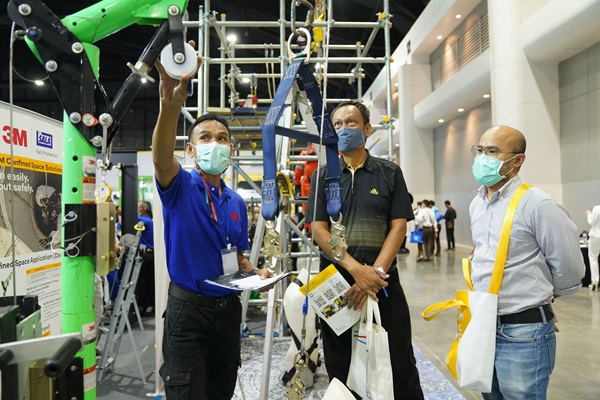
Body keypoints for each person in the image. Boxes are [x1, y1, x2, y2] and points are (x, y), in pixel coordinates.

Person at [152, 51, 272, 399]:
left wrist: (256, 273)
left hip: (228, 312)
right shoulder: (180, 186)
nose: (215, 143)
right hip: (189, 313)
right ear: (191, 150)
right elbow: (161, 158)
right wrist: (170, 106)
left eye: (222, 138)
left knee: (222, 391)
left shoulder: (235, 202)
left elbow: (237, 256)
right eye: (205, 138)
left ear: (230, 149)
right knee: (187, 392)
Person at [307, 100, 424, 399]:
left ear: (367, 129)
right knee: (341, 366)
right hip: (336, 286)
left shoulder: (389, 172)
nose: (343, 129)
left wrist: (374, 273)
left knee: (399, 362)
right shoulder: (323, 176)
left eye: (351, 122)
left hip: (382, 283)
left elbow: (398, 226)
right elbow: (319, 230)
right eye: (337, 124)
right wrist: (356, 270)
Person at [469, 125, 585, 399]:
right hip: (483, 323)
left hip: (523, 332)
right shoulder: (477, 203)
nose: (483, 158)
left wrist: (538, 303)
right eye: (480, 150)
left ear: (517, 160)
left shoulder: (538, 204)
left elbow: (570, 271)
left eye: (493, 151)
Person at [136, 201, 155, 315]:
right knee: (149, 280)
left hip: (147, 254)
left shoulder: (144, 221)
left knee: (145, 281)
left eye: (138, 207)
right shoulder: (149, 220)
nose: (137, 209)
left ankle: (145, 305)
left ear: (143, 209)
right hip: (150, 254)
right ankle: (150, 304)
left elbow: (130, 218)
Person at [586, 205, 600, 290]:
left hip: (596, 236)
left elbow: (591, 222)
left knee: (593, 257)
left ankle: (595, 280)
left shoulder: (597, 208)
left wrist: (589, 214)